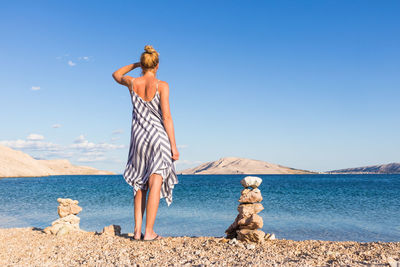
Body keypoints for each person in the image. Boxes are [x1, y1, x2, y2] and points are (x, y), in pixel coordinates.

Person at [112, 45, 179, 241]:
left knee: (140, 184)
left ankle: (137, 231)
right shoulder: (162, 85)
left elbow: (116, 74)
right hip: (158, 138)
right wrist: (173, 146)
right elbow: (166, 117)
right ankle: (149, 232)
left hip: (139, 138)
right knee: (155, 179)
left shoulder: (133, 82)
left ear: (143, 65)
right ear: (157, 65)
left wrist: (136, 64)